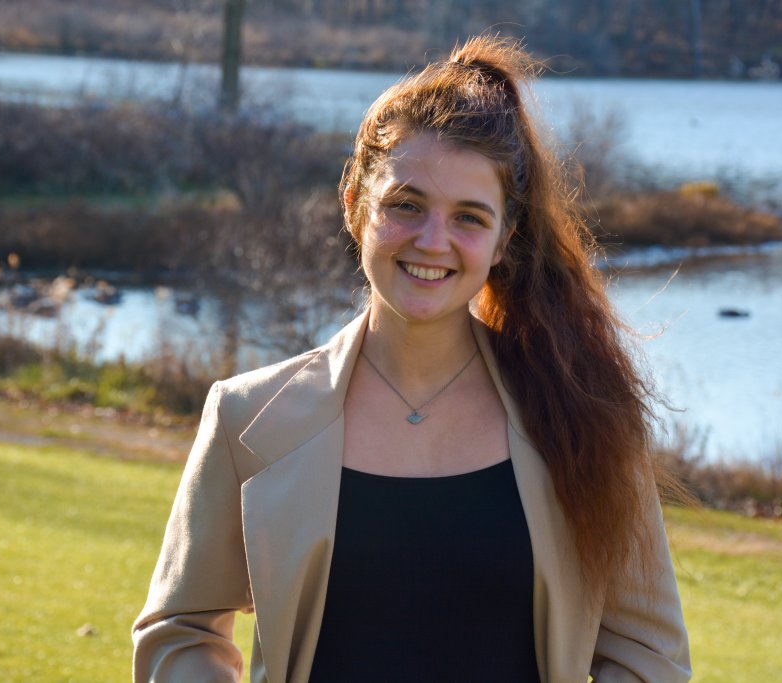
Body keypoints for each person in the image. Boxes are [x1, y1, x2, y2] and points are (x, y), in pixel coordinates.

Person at [132, 35, 690, 683]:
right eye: (406, 205)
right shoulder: (249, 417)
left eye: (469, 218)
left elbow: (648, 655)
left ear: (504, 239)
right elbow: (181, 629)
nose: (433, 241)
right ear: (355, 205)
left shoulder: (584, 418)